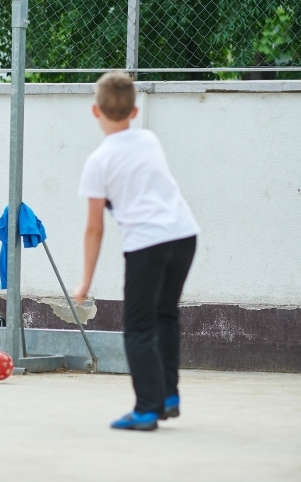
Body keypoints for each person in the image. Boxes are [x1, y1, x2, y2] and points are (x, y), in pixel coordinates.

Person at [72, 72, 199, 430]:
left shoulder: (98, 161)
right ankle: (168, 395)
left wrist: (85, 281)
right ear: (135, 111)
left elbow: (95, 227)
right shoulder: (149, 140)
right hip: (184, 235)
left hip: (147, 244)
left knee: (138, 327)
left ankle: (146, 409)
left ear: (95, 111)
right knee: (165, 315)